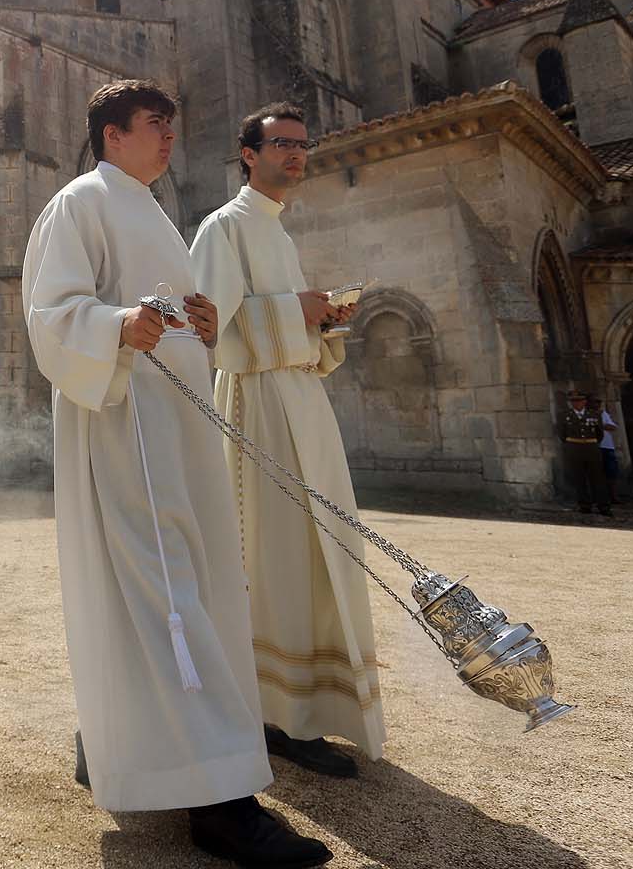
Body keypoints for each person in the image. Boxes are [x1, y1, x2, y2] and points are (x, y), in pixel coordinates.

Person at [23, 79, 330, 868]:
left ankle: (114, 740)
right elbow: (52, 314)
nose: (169, 139)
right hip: (125, 431)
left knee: (168, 591)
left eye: (170, 126)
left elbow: (179, 322)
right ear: (112, 134)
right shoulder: (80, 203)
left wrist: (201, 322)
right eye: (156, 125)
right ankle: (222, 802)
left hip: (175, 429)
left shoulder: (153, 211)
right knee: (169, 596)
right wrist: (117, 324)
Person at [192, 101, 384, 778]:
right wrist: (294, 310)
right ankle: (278, 713)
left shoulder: (279, 232)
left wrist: (321, 318)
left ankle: (315, 705)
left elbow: (271, 316)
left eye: (303, 145)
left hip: (302, 401)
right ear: (249, 154)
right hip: (259, 405)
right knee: (277, 555)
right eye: (282, 145)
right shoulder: (224, 227)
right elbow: (207, 328)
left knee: (323, 550)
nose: (296, 155)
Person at [559, 387, 610, 518]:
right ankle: (585, 505)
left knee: (597, 479)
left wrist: (591, 443)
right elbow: (562, 434)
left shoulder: (594, 415)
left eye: (579, 400)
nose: (576, 403)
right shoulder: (565, 415)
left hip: (591, 448)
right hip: (574, 448)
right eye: (574, 401)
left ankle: (603, 505)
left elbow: (599, 434)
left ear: (585, 402)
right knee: (579, 478)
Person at [597, 396, 622, 507]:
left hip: (608, 446)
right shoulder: (587, 414)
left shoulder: (603, 414)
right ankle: (601, 497)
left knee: (611, 473)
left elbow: (612, 426)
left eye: (599, 402)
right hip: (595, 447)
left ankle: (613, 496)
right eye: (594, 402)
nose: (597, 404)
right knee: (597, 473)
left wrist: (601, 425)